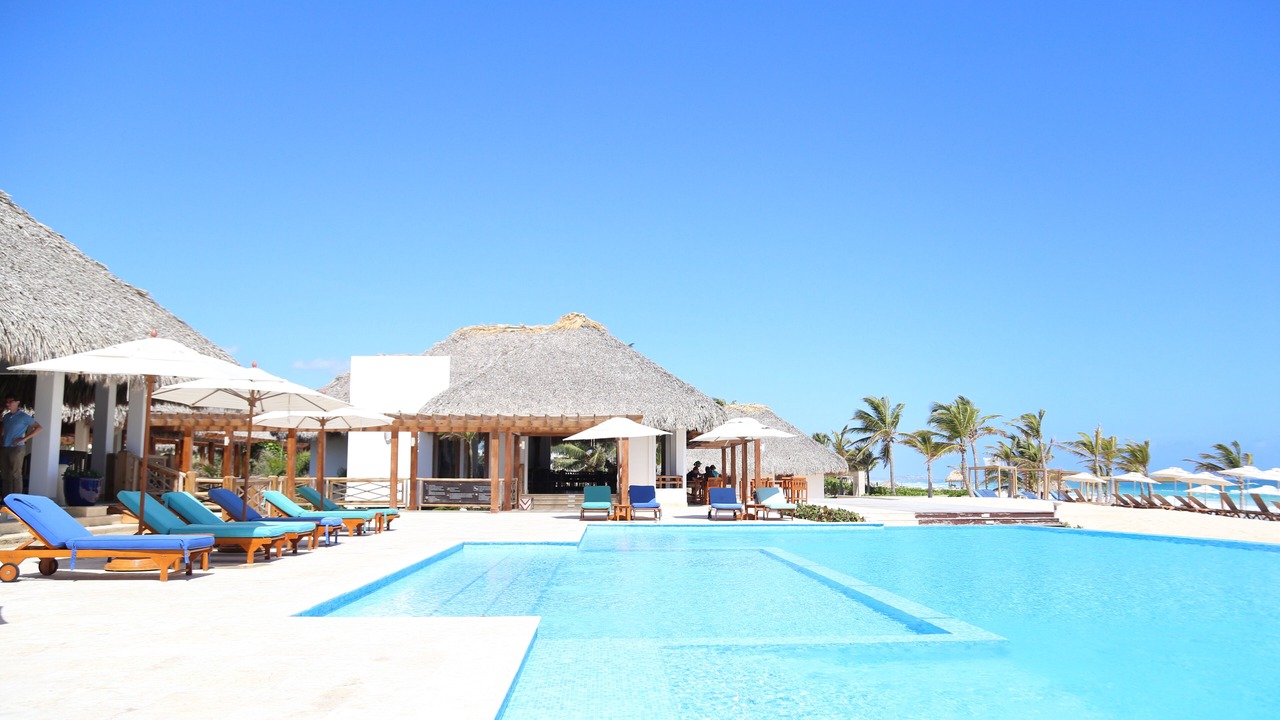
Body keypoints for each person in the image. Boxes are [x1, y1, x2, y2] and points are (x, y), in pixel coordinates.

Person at [2, 395, 43, 498]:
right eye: (7, 402)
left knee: (16, 474)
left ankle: (17, 499)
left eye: (11, 401)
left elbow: (39, 427)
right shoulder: (6, 417)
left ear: (17, 402)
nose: (8, 404)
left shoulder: (23, 416)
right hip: (4, 447)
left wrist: (24, 439)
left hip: (17, 448)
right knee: (5, 474)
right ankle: (6, 499)